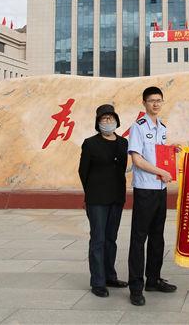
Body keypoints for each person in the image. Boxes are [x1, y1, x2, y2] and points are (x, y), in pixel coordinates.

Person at [127, 86, 177, 306]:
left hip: (160, 189)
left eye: (159, 100)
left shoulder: (162, 127)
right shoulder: (138, 127)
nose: (155, 104)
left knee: (158, 237)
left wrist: (171, 151)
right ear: (144, 103)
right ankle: (136, 287)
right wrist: (161, 172)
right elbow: (137, 160)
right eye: (151, 100)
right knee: (139, 238)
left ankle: (153, 280)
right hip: (145, 189)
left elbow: (158, 155)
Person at [78, 104, 129, 298]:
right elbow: (83, 171)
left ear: (116, 121)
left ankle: (110, 276)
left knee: (111, 239)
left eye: (111, 118)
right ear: (98, 122)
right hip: (97, 199)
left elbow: (122, 168)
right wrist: (91, 193)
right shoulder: (90, 143)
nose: (108, 121)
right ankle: (98, 282)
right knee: (98, 239)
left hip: (116, 197)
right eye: (104, 119)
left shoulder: (123, 142)